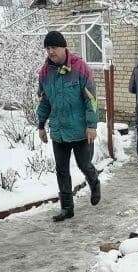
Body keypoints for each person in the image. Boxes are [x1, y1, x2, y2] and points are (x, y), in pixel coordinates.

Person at [36, 30, 101, 222]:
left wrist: (91, 125)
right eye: (48, 48)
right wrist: (41, 125)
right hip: (59, 132)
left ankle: (94, 182)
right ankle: (67, 208)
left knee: (84, 164)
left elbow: (91, 99)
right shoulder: (45, 73)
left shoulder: (80, 68)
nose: (51, 52)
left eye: (54, 47)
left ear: (64, 47)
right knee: (62, 170)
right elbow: (44, 101)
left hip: (80, 130)